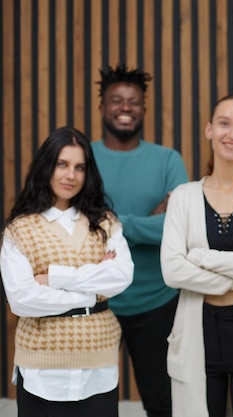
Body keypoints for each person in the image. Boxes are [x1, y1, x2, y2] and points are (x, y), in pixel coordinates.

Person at [0, 127, 133, 417]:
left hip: (98, 363)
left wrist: (55, 279)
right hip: (40, 369)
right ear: (46, 166)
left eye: (79, 167)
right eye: (62, 164)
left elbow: (122, 276)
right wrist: (90, 294)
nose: (70, 175)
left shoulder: (106, 222)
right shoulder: (20, 229)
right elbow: (22, 299)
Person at [160, 94, 233, 417]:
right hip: (198, 328)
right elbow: (172, 271)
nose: (232, 134)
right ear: (209, 130)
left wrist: (200, 257)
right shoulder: (184, 197)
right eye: (224, 123)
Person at [91, 64, 189, 417]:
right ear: (102, 107)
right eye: (116, 100)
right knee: (93, 402)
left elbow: (178, 227)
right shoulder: (83, 160)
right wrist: (147, 222)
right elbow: (76, 226)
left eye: (133, 101)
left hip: (156, 302)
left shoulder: (167, 160)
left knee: (162, 402)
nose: (125, 107)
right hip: (95, 301)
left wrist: (109, 221)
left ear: (144, 108)